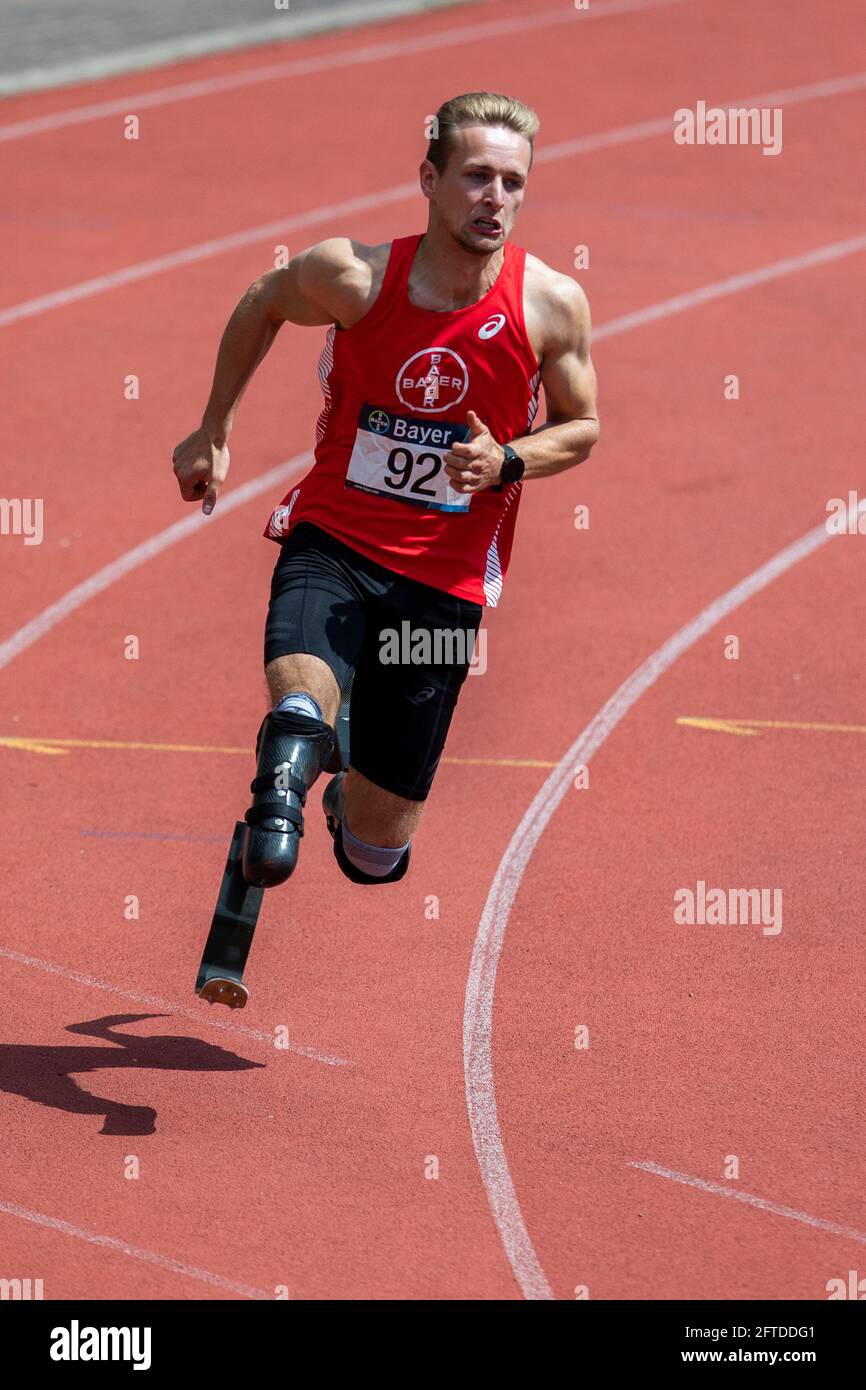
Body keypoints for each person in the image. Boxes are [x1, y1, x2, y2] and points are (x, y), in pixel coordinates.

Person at [172, 91, 599, 1005]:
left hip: (443, 586)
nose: (495, 197)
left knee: (376, 854)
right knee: (295, 716)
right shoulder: (355, 277)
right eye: (477, 176)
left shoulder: (552, 304)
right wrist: (213, 430)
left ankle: (338, 789)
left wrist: (510, 458)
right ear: (430, 180)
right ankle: (281, 790)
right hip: (334, 540)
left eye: (514, 183)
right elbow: (262, 300)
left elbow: (585, 426)